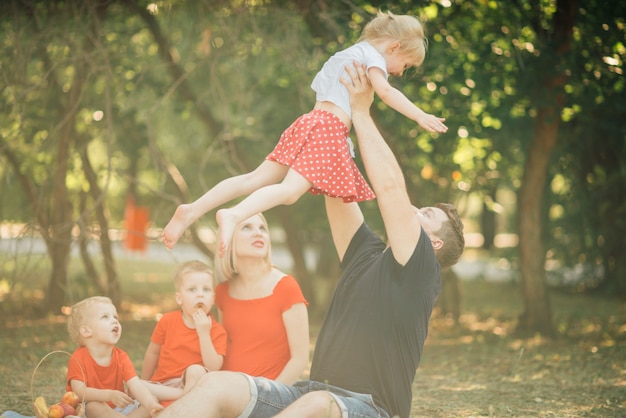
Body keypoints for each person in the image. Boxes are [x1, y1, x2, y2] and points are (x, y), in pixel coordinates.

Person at [153, 61, 464, 418]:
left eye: (425, 215)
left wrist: (362, 112)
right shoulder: (367, 253)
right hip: (310, 395)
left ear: (434, 244)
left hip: (371, 408)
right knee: (215, 383)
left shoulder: (422, 269)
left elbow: (391, 189)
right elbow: (334, 187)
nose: (414, 210)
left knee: (319, 405)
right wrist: (334, 129)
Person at [161, 10, 448, 254]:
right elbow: (384, 92)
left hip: (309, 121)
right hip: (328, 129)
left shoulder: (349, 53)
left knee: (254, 178)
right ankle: (234, 215)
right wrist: (419, 115)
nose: (400, 72)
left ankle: (192, 210)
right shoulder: (372, 57)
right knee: (289, 192)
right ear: (395, 47)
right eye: (406, 65)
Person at [214, 213, 310, 384]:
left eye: (262, 228)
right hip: (226, 388)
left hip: (269, 393)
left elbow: (300, 360)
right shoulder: (222, 292)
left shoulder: (286, 287)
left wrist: (269, 396)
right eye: (246, 227)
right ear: (227, 239)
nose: (258, 233)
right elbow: (223, 349)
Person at [141, 260, 227, 403]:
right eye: (192, 289)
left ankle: (184, 398)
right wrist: (144, 381)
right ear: (179, 298)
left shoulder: (217, 330)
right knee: (136, 385)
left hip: (195, 385)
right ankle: (182, 397)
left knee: (195, 370)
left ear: (213, 298)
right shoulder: (167, 321)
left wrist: (204, 334)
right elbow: (153, 352)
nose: (200, 295)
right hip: (164, 386)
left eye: (206, 289)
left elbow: (213, 367)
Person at [66, 296, 163, 418]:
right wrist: (109, 395)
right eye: (105, 317)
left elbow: (136, 385)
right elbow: (80, 392)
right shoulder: (78, 358)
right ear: (86, 331)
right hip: (90, 411)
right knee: (93, 406)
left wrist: (151, 405)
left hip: (120, 409)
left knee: (151, 399)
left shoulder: (121, 356)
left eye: (115, 317)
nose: (114, 321)